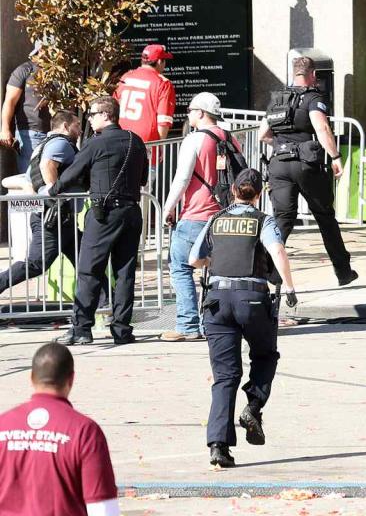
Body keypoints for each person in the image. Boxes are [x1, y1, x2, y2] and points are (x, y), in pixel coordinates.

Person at [188, 168, 297, 468]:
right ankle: (253, 405)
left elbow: (193, 260)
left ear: (234, 191)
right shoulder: (263, 221)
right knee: (265, 356)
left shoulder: (216, 219)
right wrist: (289, 287)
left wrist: (215, 259)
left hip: (217, 300)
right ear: (259, 194)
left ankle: (218, 446)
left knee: (225, 376)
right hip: (252, 299)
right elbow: (277, 250)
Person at [49, 96, 148, 346]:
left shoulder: (96, 143)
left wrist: (52, 190)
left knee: (89, 270)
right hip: (132, 211)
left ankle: (82, 328)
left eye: (92, 114)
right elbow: (144, 178)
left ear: (106, 115)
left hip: (104, 213)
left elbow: (71, 174)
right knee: (124, 273)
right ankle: (122, 330)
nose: (89, 119)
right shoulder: (135, 141)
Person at [259, 56, 357, 286]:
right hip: (306, 165)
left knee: (283, 219)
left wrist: (282, 146)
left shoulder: (277, 99)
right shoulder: (313, 98)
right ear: (312, 74)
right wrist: (335, 156)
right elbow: (322, 128)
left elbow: (264, 133)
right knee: (325, 217)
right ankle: (343, 272)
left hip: (279, 164)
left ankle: (269, 272)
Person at [0, 343, 119, 516]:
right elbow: (103, 509)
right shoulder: (84, 431)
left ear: (32, 377)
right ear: (71, 379)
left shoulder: (3, 424)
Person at [160, 92, 241, 342]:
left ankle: (187, 325)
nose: (188, 114)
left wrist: (168, 208)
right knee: (219, 273)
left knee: (182, 268)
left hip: (196, 215)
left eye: (191, 110)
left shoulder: (195, 140)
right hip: (225, 216)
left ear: (201, 113)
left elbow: (182, 178)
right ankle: (218, 324)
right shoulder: (231, 139)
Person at [0, 111, 81, 294]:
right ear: (65, 126)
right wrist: (54, 196)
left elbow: (29, 179)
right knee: (36, 264)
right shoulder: (62, 143)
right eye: (77, 125)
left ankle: (107, 301)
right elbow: (47, 166)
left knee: (85, 259)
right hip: (54, 217)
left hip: (58, 217)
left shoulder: (42, 145)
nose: (80, 130)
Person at [1, 41, 49, 172]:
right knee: (29, 176)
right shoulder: (25, 70)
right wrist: (5, 129)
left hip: (55, 132)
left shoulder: (60, 73)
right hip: (31, 133)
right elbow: (9, 101)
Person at [113, 44, 176, 146]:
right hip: (147, 141)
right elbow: (163, 121)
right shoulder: (163, 83)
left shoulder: (126, 77)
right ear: (160, 61)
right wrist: (160, 145)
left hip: (121, 136)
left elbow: (113, 106)